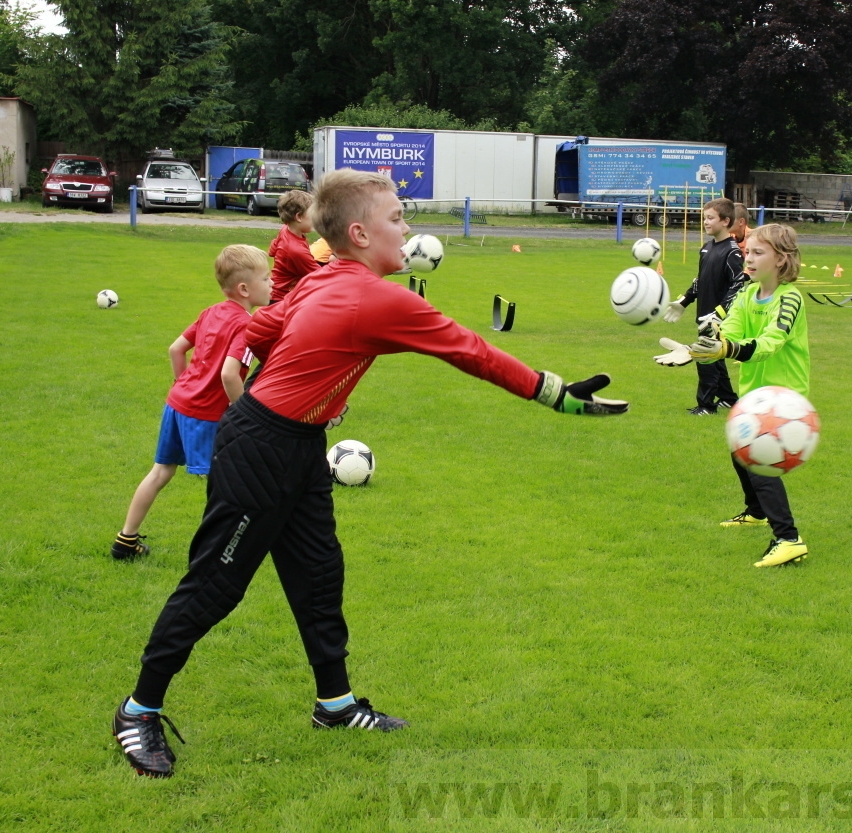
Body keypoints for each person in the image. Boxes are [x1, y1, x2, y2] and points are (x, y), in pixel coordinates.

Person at [111, 169, 629, 778]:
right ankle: (138, 710)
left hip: (296, 444)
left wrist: (292, 375)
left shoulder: (326, 276)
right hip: (262, 449)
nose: (407, 229)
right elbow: (472, 351)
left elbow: (264, 325)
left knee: (318, 574)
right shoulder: (374, 295)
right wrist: (557, 395)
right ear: (359, 233)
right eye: (397, 219)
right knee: (217, 583)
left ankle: (334, 705)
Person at [655, 224, 811, 567]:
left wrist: (725, 347)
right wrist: (697, 350)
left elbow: (771, 342)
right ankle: (756, 513)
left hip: (784, 397)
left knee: (759, 463)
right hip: (756, 393)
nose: (748, 258)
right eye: (748, 252)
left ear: (781, 260)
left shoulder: (790, 298)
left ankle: (788, 538)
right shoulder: (746, 295)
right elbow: (729, 334)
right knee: (739, 450)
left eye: (758, 253)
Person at [110, 245, 272, 560]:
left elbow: (175, 349)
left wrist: (183, 385)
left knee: (160, 472)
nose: (272, 284)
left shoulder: (210, 312)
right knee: (226, 486)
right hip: (205, 416)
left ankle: (125, 540)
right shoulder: (247, 326)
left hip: (177, 404)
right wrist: (243, 416)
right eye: (266, 278)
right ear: (244, 289)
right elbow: (229, 375)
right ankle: (214, 555)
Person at [661, 197, 747, 415]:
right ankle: (729, 399)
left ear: (726, 221)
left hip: (718, 318)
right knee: (715, 358)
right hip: (703, 314)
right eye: (704, 218)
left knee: (704, 357)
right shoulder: (706, 247)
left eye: (710, 218)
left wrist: (720, 313)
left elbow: (738, 286)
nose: (705, 222)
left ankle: (706, 406)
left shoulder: (732, 252)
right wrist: (685, 300)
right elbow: (700, 279)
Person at [268, 189, 319, 304]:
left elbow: (272, 250)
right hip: (281, 300)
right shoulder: (296, 251)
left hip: (277, 294)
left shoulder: (285, 229)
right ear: (298, 217)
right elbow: (320, 276)